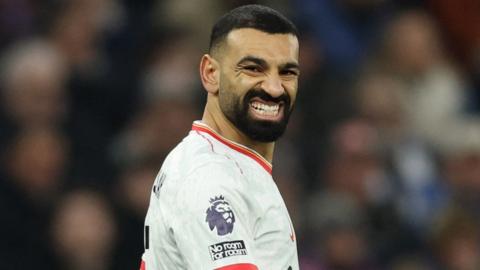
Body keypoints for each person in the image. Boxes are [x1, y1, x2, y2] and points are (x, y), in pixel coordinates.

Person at [139, 4, 300, 270]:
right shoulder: (210, 175)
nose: (274, 87)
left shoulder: (227, 165)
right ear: (210, 74)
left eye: (287, 72)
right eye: (253, 69)